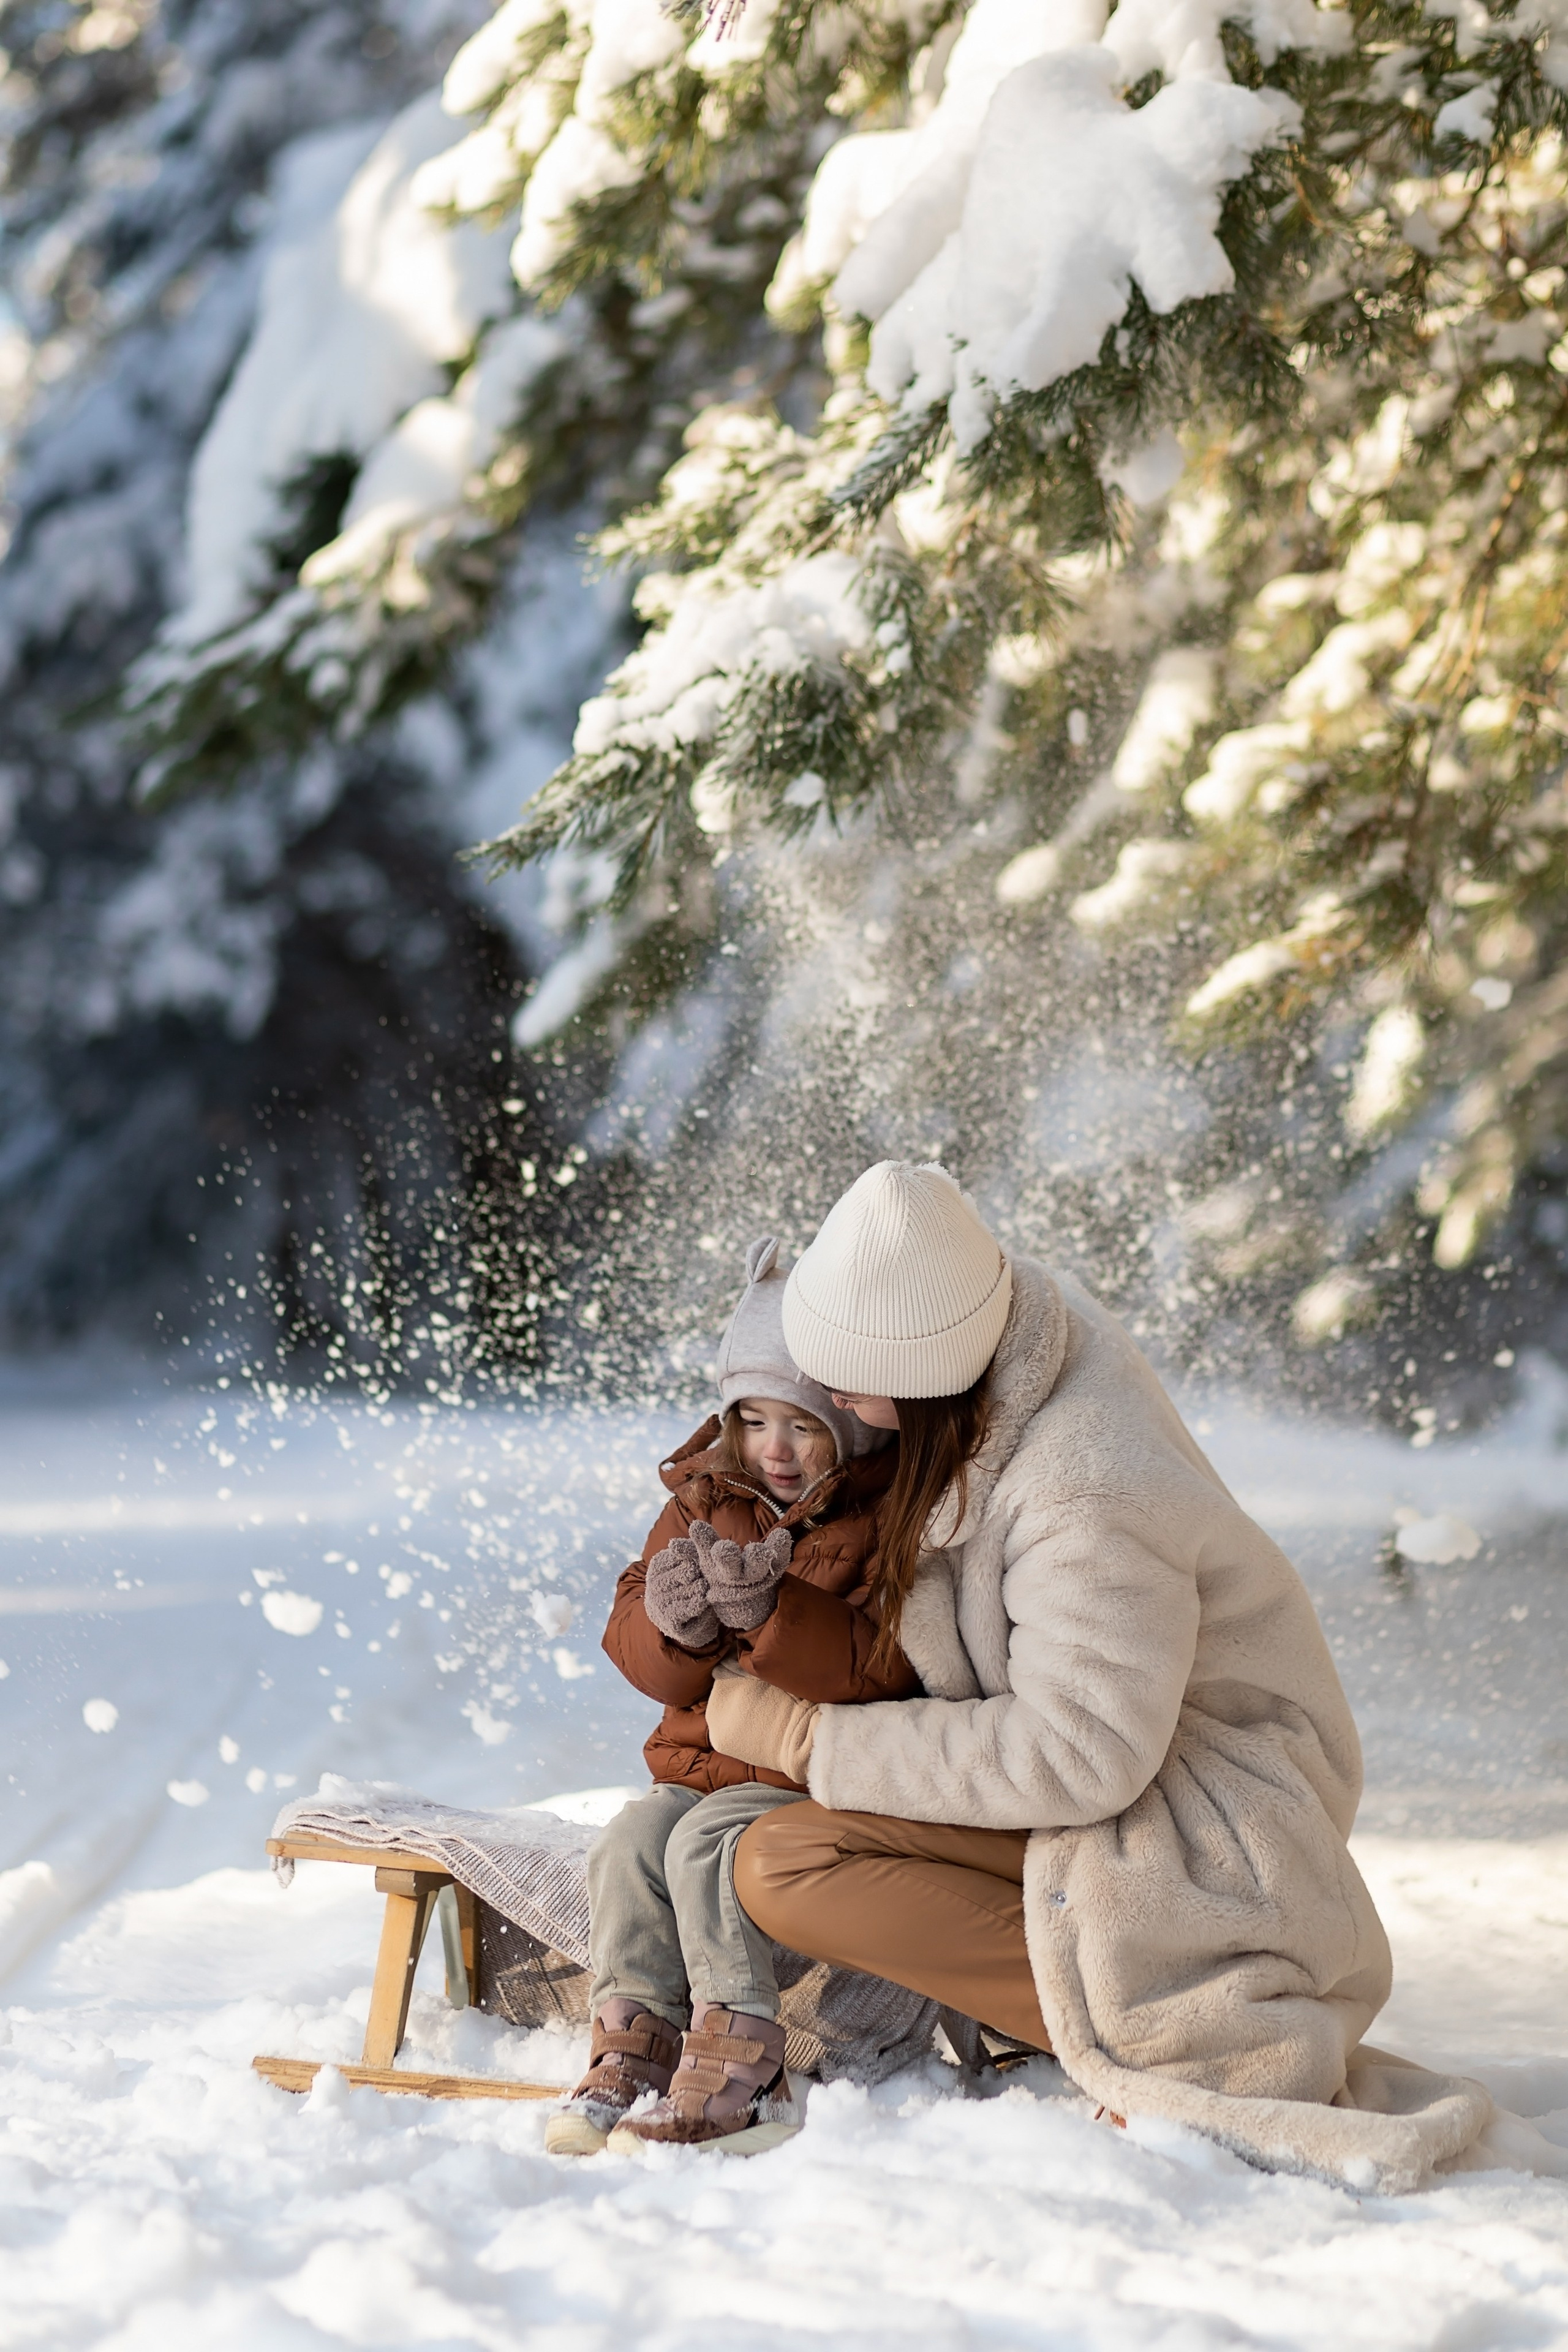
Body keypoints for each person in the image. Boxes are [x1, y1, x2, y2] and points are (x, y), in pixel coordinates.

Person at [706, 1161, 1447, 2184]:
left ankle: (1176, 2024)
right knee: (770, 1851)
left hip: (1204, 1827)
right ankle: (1056, 1987)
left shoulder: (1087, 1492)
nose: (825, 1393)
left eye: (843, 1378)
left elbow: (1082, 1751)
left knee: (784, 1866)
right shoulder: (987, 1332)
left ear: (924, 1371)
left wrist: (806, 1739)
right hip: (1111, 1791)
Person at [546, 1235, 910, 2157]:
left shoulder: (886, 1518)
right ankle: (636, 2036)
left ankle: (748, 2060)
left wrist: (774, 1615)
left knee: (709, 1840)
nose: (774, 1449)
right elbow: (646, 1655)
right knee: (634, 1839)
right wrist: (677, 1628)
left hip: (800, 1779)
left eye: (802, 1425)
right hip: (701, 1770)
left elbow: (885, 1668)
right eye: (752, 1420)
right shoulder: (704, 1497)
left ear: (852, 1424)